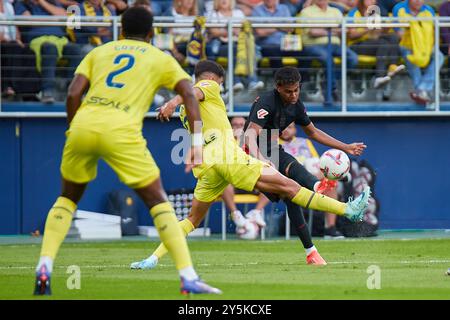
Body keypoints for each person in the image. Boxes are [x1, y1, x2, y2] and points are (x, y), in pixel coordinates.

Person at [33, 7, 221, 296]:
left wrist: (74, 129)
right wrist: (196, 145)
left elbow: (72, 93)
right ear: (152, 32)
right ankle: (188, 278)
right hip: (122, 130)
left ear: (120, 30)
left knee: (67, 198)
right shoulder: (160, 57)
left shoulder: (100, 52)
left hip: (83, 125)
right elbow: (188, 94)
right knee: (158, 200)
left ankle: (44, 265)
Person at [129, 61, 370, 270]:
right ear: (214, 78)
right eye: (221, 83)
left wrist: (176, 109)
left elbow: (193, 110)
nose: (220, 88)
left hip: (206, 167)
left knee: (192, 219)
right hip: (227, 156)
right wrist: (171, 103)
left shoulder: (187, 109)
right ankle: (347, 210)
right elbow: (191, 92)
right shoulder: (207, 86)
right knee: (290, 187)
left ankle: (152, 258)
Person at [242, 66, 367, 264]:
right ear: (278, 87)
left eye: (296, 90)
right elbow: (249, 136)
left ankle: (312, 252)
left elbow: (313, 132)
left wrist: (346, 147)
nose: (293, 95)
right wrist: (261, 160)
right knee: (291, 190)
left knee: (292, 192)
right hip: (250, 155)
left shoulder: (296, 105)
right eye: (288, 91)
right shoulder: (266, 101)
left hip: (272, 150)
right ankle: (325, 193)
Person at [279, 122, 344, 238]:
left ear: (295, 130)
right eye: (284, 128)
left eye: (290, 127)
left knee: (330, 182)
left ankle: (330, 227)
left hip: (310, 178)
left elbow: (317, 162)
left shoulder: (305, 142)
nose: (286, 130)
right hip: (288, 180)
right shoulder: (273, 144)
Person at [14, 0, 82, 104]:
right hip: (38, 40)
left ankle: (72, 91)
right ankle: (47, 91)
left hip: (59, 39)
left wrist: (42, 2)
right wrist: (54, 19)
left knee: (75, 50)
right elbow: (29, 20)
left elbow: (64, 16)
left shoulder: (52, 3)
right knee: (50, 48)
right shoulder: (22, 3)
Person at [298, 0, 358, 103]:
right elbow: (312, 32)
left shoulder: (335, 11)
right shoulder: (306, 12)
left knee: (353, 58)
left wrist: (324, 29)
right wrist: (333, 30)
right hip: (313, 45)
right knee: (327, 58)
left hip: (335, 45)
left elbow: (345, 30)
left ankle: (328, 81)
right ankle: (332, 88)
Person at [392, 0, 444, 105]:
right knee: (411, 56)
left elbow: (433, 32)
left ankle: (421, 89)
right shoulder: (399, 8)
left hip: (426, 45)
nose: (418, 1)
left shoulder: (429, 10)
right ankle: (422, 92)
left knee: (439, 56)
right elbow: (399, 33)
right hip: (407, 44)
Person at [347, 0, 404, 92]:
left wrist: (383, 29)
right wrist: (367, 28)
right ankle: (379, 77)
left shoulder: (375, 11)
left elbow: (375, 36)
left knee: (393, 37)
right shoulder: (354, 12)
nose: (371, 1)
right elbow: (352, 35)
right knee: (383, 44)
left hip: (372, 42)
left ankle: (392, 66)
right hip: (356, 44)